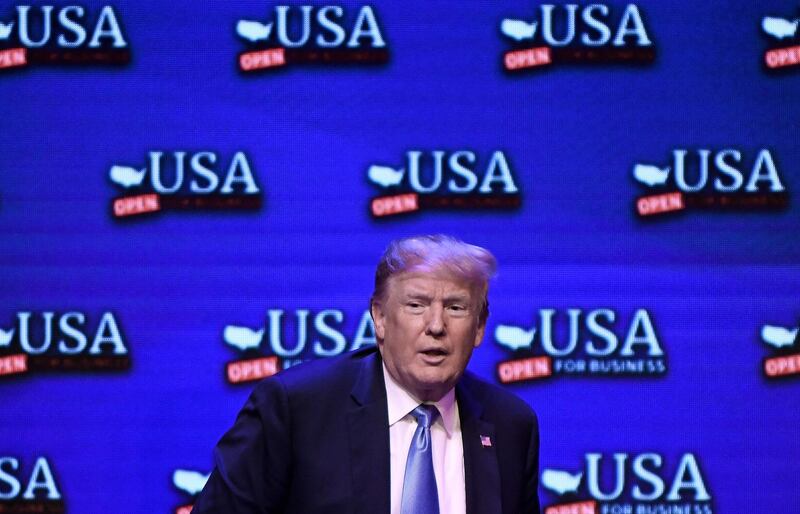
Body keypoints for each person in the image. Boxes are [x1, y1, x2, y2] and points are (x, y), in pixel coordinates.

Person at [193, 235, 540, 514]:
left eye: (455, 307)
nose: (436, 326)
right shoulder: (295, 410)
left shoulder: (511, 425)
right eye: (416, 305)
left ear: (479, 326)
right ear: (380, 317)